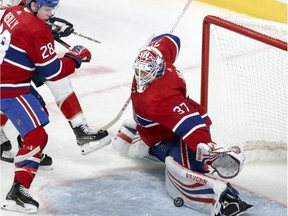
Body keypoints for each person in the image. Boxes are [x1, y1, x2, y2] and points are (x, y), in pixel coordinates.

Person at [112, 33, 253, 216]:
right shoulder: (158, 76)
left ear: (158, 69)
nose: (140, 76)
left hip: (171, 129)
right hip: (165, 131)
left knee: (193, 162)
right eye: (138, 69)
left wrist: (207, 150)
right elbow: (172, 40)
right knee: (190, 162)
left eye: (146, 71)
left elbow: (190, 125)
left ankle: (223, 199)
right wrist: (154, 47)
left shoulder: (159, 96)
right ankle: (145, 140)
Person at [0, 0, 109, 213]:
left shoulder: (13, 11)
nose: (51, 13)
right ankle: (17, 194)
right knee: (37, 135)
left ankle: (30, 153)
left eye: (53, 9)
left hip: (10, 78)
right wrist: (75, 57)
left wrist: (46, 30)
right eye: (47, 9)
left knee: (39, 110)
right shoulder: (36, 30)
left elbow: (24, 33)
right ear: (33, 5)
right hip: (10, 88)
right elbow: (54, 72)